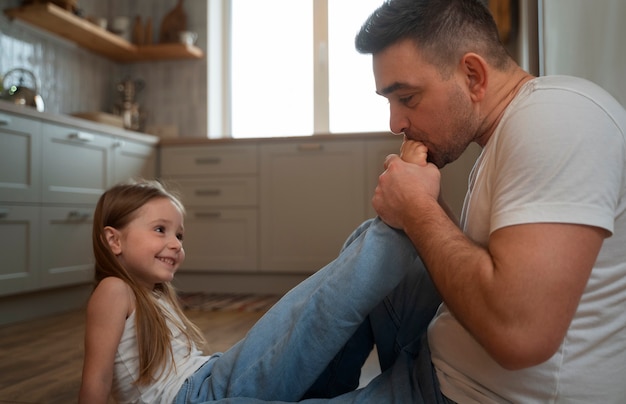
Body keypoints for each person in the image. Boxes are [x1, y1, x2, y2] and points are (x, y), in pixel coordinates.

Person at [353, 0, 626, 402]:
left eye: (407, 98)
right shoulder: (510, 131)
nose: (395, 123)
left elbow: (519, 334)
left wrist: (417, 210)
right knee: (370, 248)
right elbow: (472, 264)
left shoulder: (558, 120)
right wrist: (422, 202)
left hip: (462, 394)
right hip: (435, 369)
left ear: (473, 75)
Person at [78, 178, 441, 403]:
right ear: (114, 240)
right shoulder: (114, 290)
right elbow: (96, 379)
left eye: (179, 235)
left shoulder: (153, 294)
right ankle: (395, 230)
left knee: (323, 315)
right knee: (316, 312)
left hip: (213, 381)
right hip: (200, 394)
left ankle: (393, 233)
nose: (174, 243)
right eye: (160, 230)